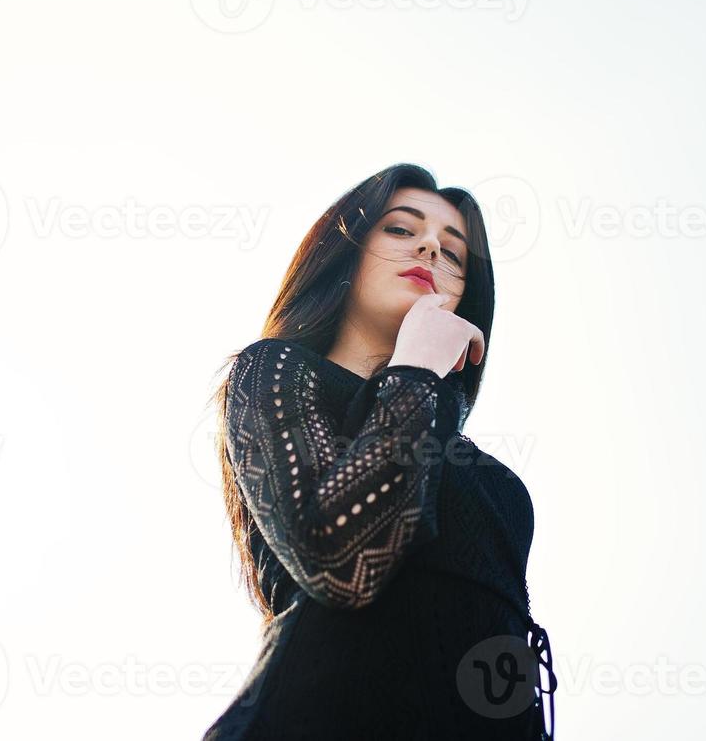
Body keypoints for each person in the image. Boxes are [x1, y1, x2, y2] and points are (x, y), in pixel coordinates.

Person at [204, 163, 556, 740]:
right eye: (401, 229)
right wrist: (415, 369)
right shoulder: (275, 371)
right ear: (346, 251)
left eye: (454, 253)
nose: (430, 247)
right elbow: (340, 564)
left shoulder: (490, 477)